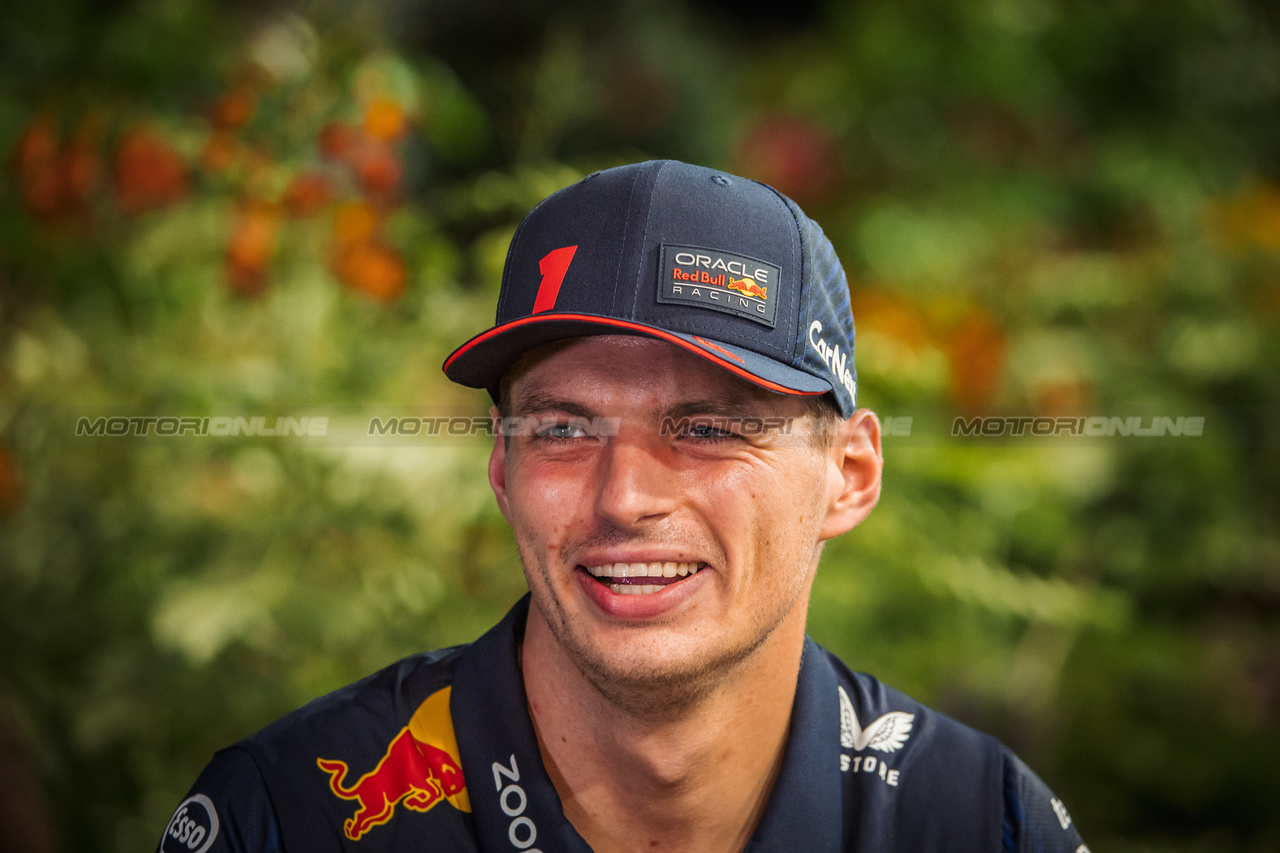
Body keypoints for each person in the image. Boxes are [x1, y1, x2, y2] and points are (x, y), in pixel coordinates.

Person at [158, 160, 1090, 852]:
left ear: (848, 473)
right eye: (563, 428)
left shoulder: (981, 824)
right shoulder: (292, 817)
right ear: (500, 467)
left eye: (711, 428)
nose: (626, 496)